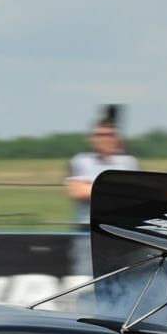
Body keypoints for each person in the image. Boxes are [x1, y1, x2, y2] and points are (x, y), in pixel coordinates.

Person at [63, 106, 139, 283]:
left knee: (123, 282)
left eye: (109, 135)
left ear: (117, 139)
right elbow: (77, 191)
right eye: (100, 135)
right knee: (84, 281)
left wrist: (96, 188)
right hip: (88, 232)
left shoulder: (128, 162)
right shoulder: (81, 161)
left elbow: (136, 194)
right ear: (92, 138)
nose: (104, 140)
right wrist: (119, 191)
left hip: (121, 233)